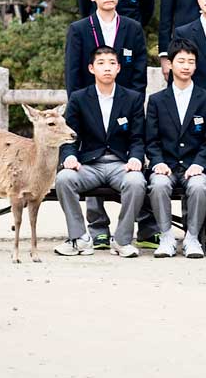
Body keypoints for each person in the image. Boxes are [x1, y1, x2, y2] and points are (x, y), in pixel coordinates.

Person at [53, 46, 147, 257]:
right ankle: (79, 238)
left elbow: (138, 138)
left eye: (112, 63)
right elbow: (69, 136)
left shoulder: (132, 98)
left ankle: (122, 240)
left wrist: (135, 158)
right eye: (101, 63)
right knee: (64, 178)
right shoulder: (79, 98)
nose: (107, 68)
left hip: (120, 163)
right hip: (89, 164)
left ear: (119, 68)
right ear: (91, 68)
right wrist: (69, 157)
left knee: (136, 182)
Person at [145, 40, 206, 259]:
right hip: (166, 165)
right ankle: (166, 236)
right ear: (169, 64)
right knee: (158, 184)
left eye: (191, 61)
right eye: (181, 61)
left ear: (196, 66)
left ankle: (192, 238)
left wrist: (199, 163)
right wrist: (158, 162)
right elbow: (151, 139)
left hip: (194, 165)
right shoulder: (157, 100)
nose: (186, 66)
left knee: (199, 186)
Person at [63, 0, 150, 97]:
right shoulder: (79, 29)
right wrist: (78, 107)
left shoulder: (133, 28)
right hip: (89, 102)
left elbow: (140, 71)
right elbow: (73, 73)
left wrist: (135, 104)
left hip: (125, 102)